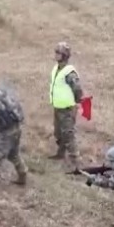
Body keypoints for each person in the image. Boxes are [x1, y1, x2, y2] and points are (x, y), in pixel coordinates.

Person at [48, 42, 83, 173]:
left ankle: (77, 164)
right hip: (58, 107)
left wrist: (77, 103)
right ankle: (60, 153)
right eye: (56, 52)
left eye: (58, 53)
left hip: (67, 109)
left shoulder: (69, 73)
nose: (56, 55)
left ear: (64, 56)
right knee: (58, 132)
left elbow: (77, 89)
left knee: (68, 134)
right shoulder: (57, 68)